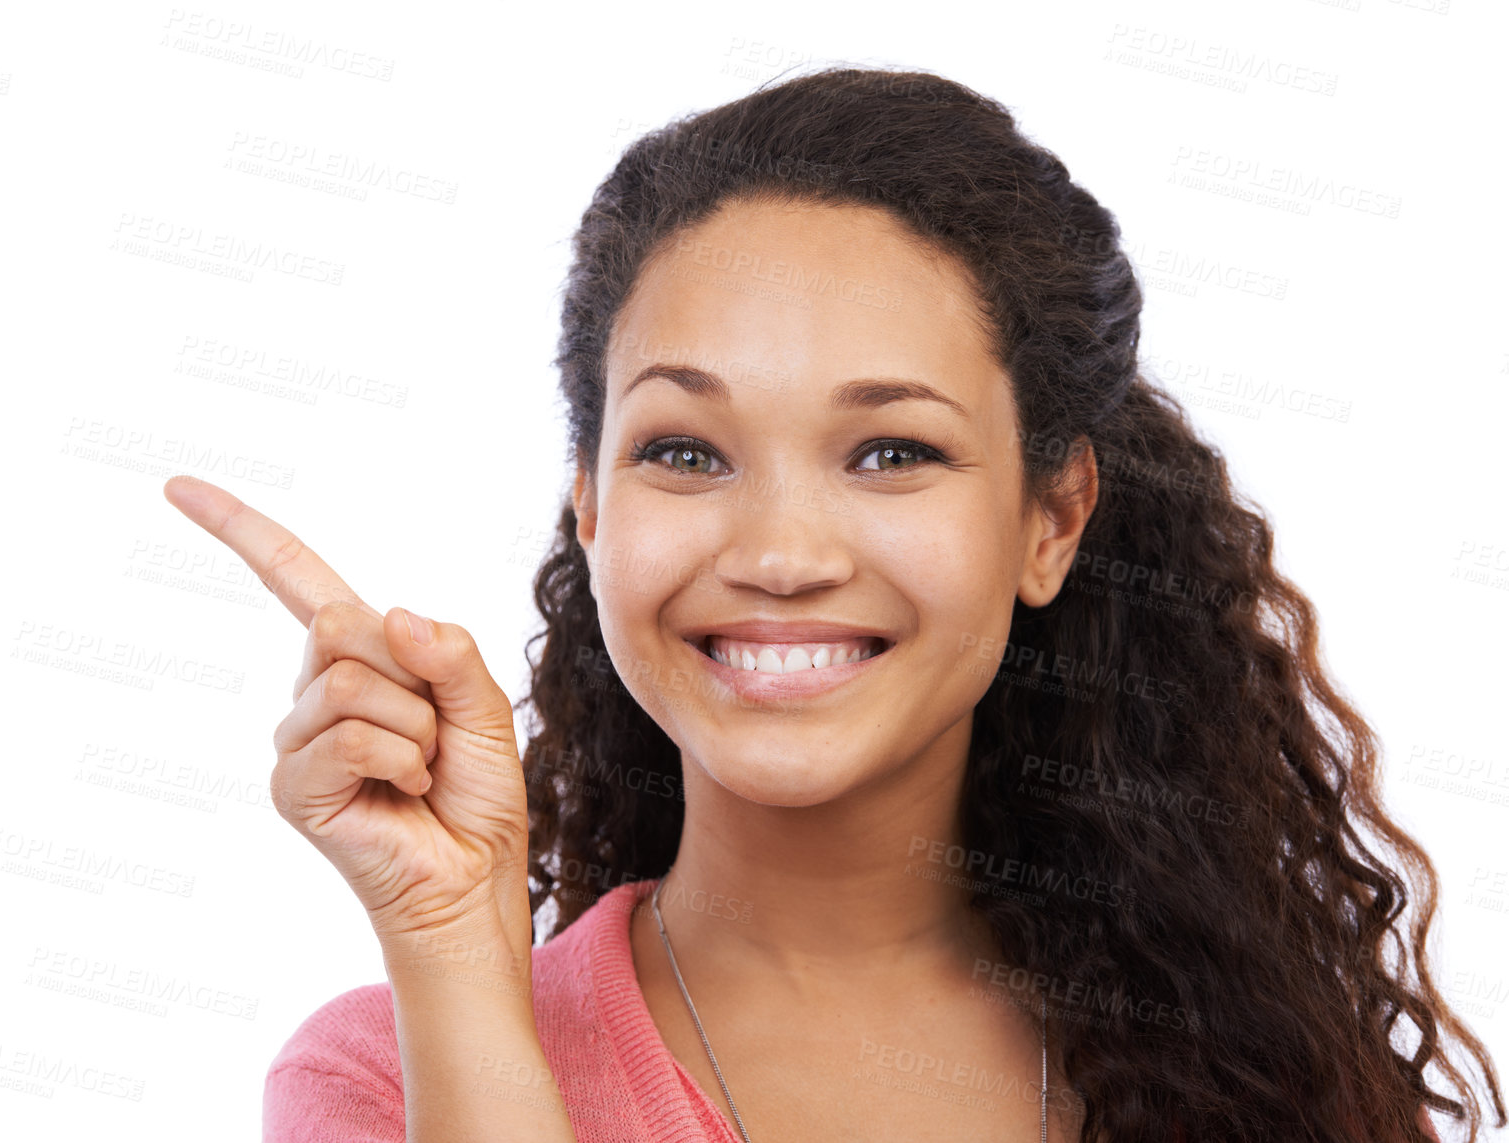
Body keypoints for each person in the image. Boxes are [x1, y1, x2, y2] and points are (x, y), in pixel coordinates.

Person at [164, 67, 1502, 1142]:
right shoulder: (387, 1081)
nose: (783, 552)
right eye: (685, 452)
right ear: (590, 505)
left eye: (891, 453)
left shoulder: (1263, 1078)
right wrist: (453, 944)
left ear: (1053, 519)